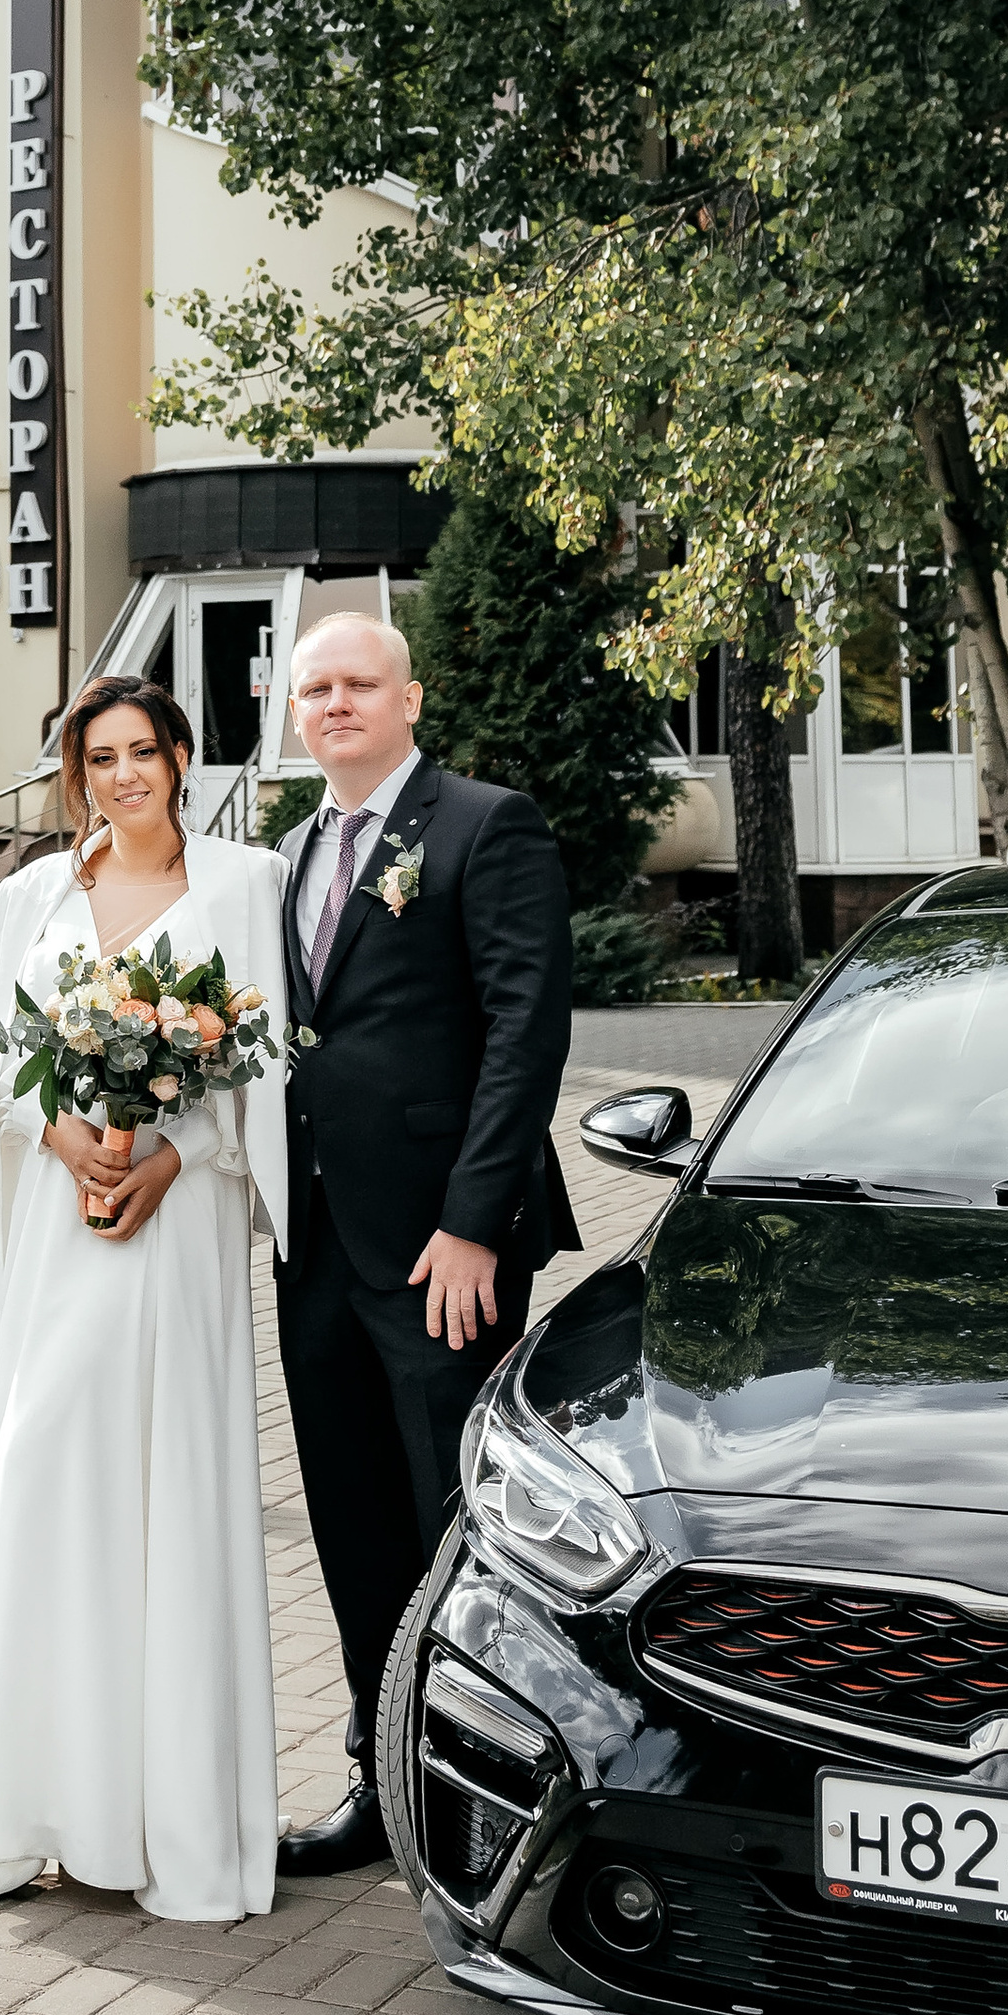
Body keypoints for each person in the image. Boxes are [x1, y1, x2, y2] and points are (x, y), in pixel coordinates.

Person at [0, 672, 291, 1922]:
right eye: (99, 757)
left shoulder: (245, 886)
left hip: (179, 1236)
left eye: (143, 751)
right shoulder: (31, 897)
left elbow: (263, 1072)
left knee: (165, 1493)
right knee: (43, 1468)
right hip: (59, 1240)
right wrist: (68, 1143)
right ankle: (16, 1813)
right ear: (80, 774)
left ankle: (165, 1823)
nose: (124, 775)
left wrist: (172, 1159)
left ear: (180, 757)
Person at [273, 611, 578, 1875]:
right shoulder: (289, 850)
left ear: (409, 699)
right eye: (315, 688)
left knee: (458, 1521)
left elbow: (526, 1029)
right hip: (317, 1249)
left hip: (442, 1254)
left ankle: (483, 1794)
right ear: (294, 711)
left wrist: (471, 1225)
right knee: (352, 1520)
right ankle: (378, 1773)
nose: (335, 704)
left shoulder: (481, 825)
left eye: (359, 683)